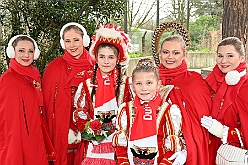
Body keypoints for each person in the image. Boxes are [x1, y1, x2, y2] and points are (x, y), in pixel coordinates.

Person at [152, 23, 212, 165]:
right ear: (160, 53)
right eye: (165, 52)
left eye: (176, 52)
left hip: (184, 150)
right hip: (153, 144)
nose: (170, 57)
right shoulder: (150, 79)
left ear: (184, 54)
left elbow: (200, 124)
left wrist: (186, 149)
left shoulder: (195, 81)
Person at [73, 24, 133, 164]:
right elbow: (80, 112)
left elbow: (135, 111)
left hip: (120, 144)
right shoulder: (87, 85)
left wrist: (122, 129)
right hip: (93, 146)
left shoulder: (128, 84)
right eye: (102, 56)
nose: (106, 61)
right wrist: (91, 129)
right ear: (96, 58)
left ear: (118, 59)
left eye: (111, 57)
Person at [113, 58, 187, 165]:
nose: (144, 88)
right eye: (139, 84)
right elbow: (121, 146)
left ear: (158, 84)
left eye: (149, 83)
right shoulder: (126, 110)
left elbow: (172, 146)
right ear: (132, 86)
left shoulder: (168, 110)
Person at [42, 22, 95, 165]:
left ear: (84, 40)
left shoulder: (95, 65)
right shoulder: (54, 66)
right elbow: (47, 100)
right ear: (62, 43)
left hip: (88, 120)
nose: (72, 45)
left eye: (76, 40)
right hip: (61, 121)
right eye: (68, 41)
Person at [0, 35, 53, 165]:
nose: (26, 55)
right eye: (21, 50)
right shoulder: (8, 79)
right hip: (17, 136)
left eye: (30, 51)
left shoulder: (34, 75)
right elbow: (7, 118)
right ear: (13, 52)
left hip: (35, 130)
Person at [201, 37, 248, 165]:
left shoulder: (246, 88)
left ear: (242, 58)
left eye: (230, 56)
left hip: (233, 155)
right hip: (207, 150)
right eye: (220, 56)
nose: (224, 61)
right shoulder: (209, 82)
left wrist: (224, 132)